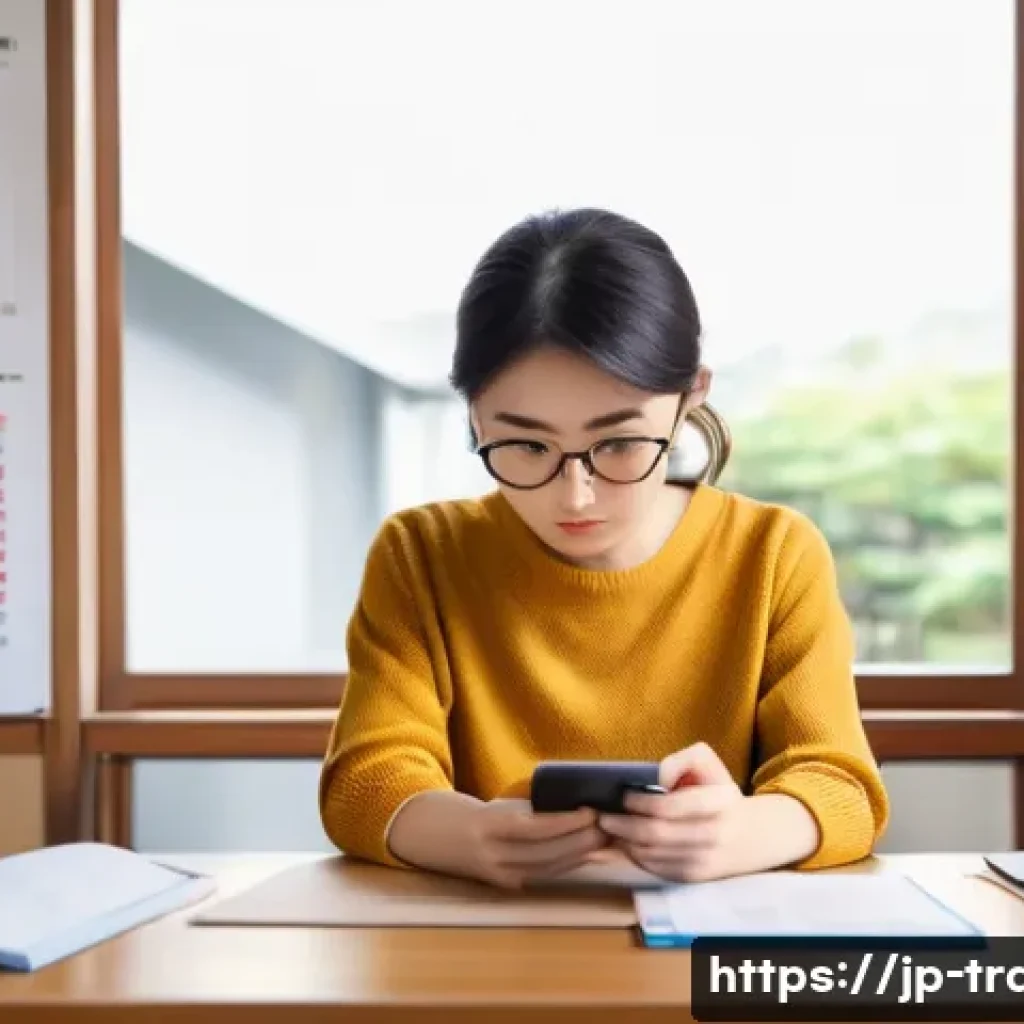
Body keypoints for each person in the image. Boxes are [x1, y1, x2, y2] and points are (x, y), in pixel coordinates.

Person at [318, 207, 889, 889]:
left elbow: (840, 786)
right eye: (527, 445)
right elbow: (366, 781)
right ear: (472, 412)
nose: (575, 495)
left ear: (688, 397)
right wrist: (467, 836)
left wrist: (742, 833)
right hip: (484, 952)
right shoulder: (420, 555)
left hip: (710, 960)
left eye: (618, 442)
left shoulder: (774, 554)